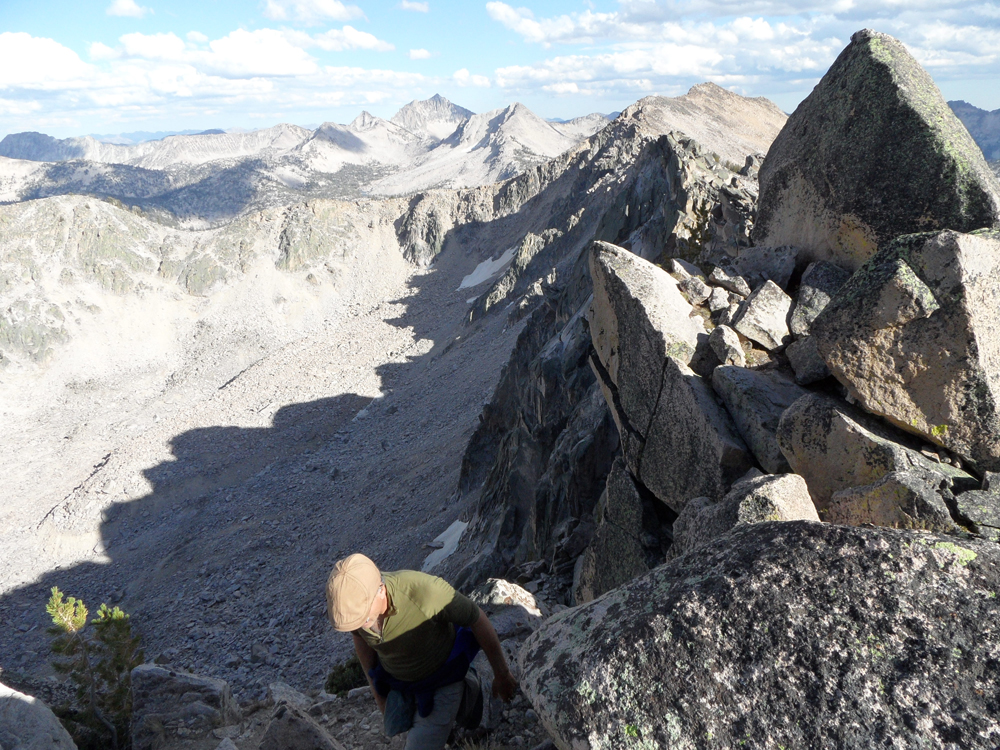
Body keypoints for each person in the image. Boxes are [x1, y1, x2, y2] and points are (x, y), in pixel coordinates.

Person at [326, 553, 517, 750]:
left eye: (363, 619)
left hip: (444, 675)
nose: (360, 626)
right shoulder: (356, 606)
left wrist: (501, 674)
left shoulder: (425, 592)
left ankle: (470, 690)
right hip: (399, 683)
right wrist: (380, 699)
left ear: (381, 591)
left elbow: (476, 618)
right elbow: (361, 640)